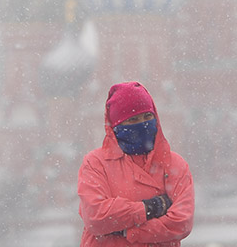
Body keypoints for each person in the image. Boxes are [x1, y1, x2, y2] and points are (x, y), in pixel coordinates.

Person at [78, 82, 194, 247]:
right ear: (117, 125)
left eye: (147, 116)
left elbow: (181, 222)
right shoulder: (96, 163)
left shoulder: (175, 164)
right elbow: (96, 217)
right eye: (133, 119)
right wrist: (150, 208)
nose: (143, 124)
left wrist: (128, 231)